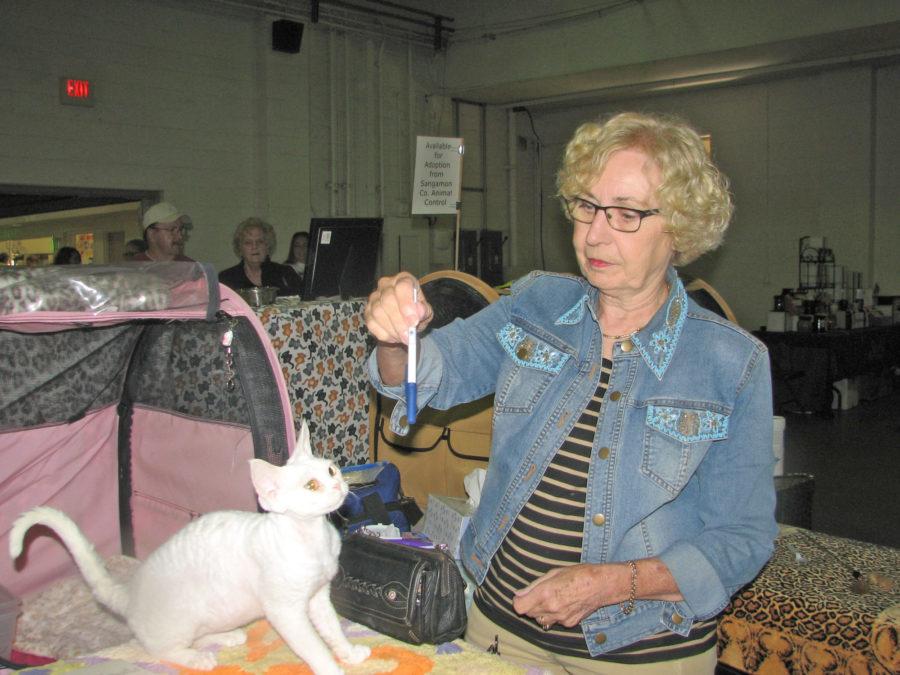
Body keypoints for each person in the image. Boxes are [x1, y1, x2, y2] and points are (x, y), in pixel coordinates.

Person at [365, 112, 776, 673]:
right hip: (500, 628)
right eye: (587, 206)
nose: (594, 234)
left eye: (626, 214)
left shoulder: (731, 362)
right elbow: (425, 374)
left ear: (679, 229)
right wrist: (396, 336)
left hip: (639, 650)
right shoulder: (535, 305)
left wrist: (613, 584)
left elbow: (744, 537)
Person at [218, 217, 302, 297]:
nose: (254, 246)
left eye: (260, 241)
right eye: (248, 242)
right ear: (240, 248)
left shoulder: (286, 274)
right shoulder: (226, 279)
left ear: (267, 246)